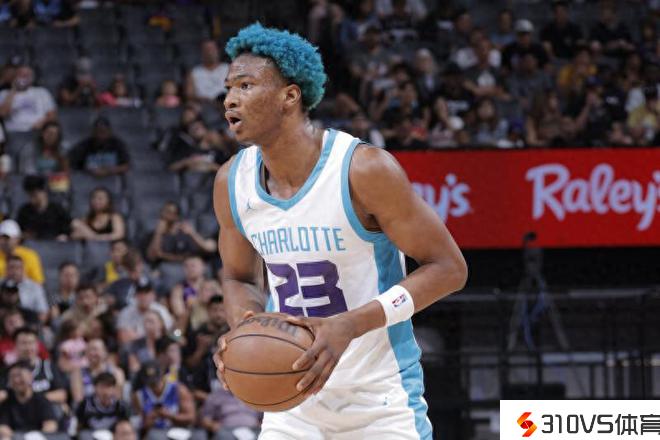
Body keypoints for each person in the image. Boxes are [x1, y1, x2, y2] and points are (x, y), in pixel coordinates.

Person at [213, 24, 466, 439]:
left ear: (289, 96)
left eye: (245, 85)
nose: (230, 99)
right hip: (293, 404)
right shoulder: (231, 183)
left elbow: (449, 269)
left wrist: (350, 324)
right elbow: (237, 277)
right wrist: (245, 331)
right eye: (228, 89)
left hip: (379, 401)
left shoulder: (363, 169)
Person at [132, 360, 197, 440]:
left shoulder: (178, 390)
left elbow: (191, 418)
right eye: (150, 383)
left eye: (156, 381)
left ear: (162, 375)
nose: (154, 385)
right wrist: (148, 421)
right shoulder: (139, 396)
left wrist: (169, 416)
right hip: (154, 433)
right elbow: (140, 425)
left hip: (178, 431)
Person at [0, 361, 58, 437]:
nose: (16, 380)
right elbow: (3, 426)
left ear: (30, 377)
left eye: (19, 375)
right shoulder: (7, 402)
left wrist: (34, 436)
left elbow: (51, 425)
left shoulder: (42, 400)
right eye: (12, 377)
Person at [147, 202, 216, 264]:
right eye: (163, 211)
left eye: (169, 212)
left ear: (177, 216)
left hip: (188, 266)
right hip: (167, 267)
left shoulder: (186, 231)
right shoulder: (156, 234)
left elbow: (209, 249)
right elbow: (152, 257)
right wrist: (158, 232)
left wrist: (192, 233)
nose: (164, 215)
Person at [0, 64, 57, 132]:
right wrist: (13, 90)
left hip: (37, 131)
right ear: (14, 77)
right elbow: (2, 114)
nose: (24, 77)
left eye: (27, 75)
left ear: (32, 78)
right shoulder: (4, 93)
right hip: (13, 132)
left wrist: (41, 123)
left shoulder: (42, 92)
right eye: (21, 74)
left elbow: (52, 116)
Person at [116, 277, 173, 345]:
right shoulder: (126, 312)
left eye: (147, 292)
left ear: (153, 295)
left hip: (159, 346)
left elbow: (169, 332)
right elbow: (123, 338)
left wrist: (136, 336)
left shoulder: (161, 310)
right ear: (135, 295)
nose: (144, 297)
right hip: (135, 348)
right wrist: (150, 336)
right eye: (140, 293)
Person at [19, 121, 70, 193]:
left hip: (55, 183)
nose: (51, 136)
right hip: (35, 182)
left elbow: (66, 172)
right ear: (42, 133)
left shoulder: (62, 149)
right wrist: (45, 178)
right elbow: (28, 171)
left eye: (55, 134)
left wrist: (61, 159)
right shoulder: (30, 149)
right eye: (49, 133)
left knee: (64, 186)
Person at [16, 174, 71, 240]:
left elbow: (68, 229)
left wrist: (65, 236)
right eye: (29, 195)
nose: (31, 199)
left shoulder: (58, 210)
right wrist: (24, 235)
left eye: (34, 195)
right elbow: (18, 232)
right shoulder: (24, 212)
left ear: (44, 192)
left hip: (54, 244)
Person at [76, 372, 130, 437]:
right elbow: (79, 427)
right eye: (102, 387)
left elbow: (125, 426)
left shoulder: (121, 406)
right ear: (95, 388)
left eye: (109, 387)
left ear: (114, 388)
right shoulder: (85, 405)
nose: (105, 391)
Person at [169, 255, 209, 331]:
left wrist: (195, 301)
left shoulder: (212, 285)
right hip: (189, 326)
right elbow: (179, 313)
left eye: (193, 265)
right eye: (186, 266)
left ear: (203, 267)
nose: (190, 269)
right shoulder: (178, 289)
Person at [3, 256, 48, 323]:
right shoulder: (1, 284)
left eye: (18, 267)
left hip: (28, 322)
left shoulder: (35, 287)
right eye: (11, 267)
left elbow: (43, 312)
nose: (14, 271)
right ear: (6, 269)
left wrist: (36, 327)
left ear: (23, 269)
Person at [0, 220, 45, 284]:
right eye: (1, 238)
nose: (4, 241)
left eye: (7, 238)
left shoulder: (30, 256)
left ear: (17, 239)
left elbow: (38, 282)